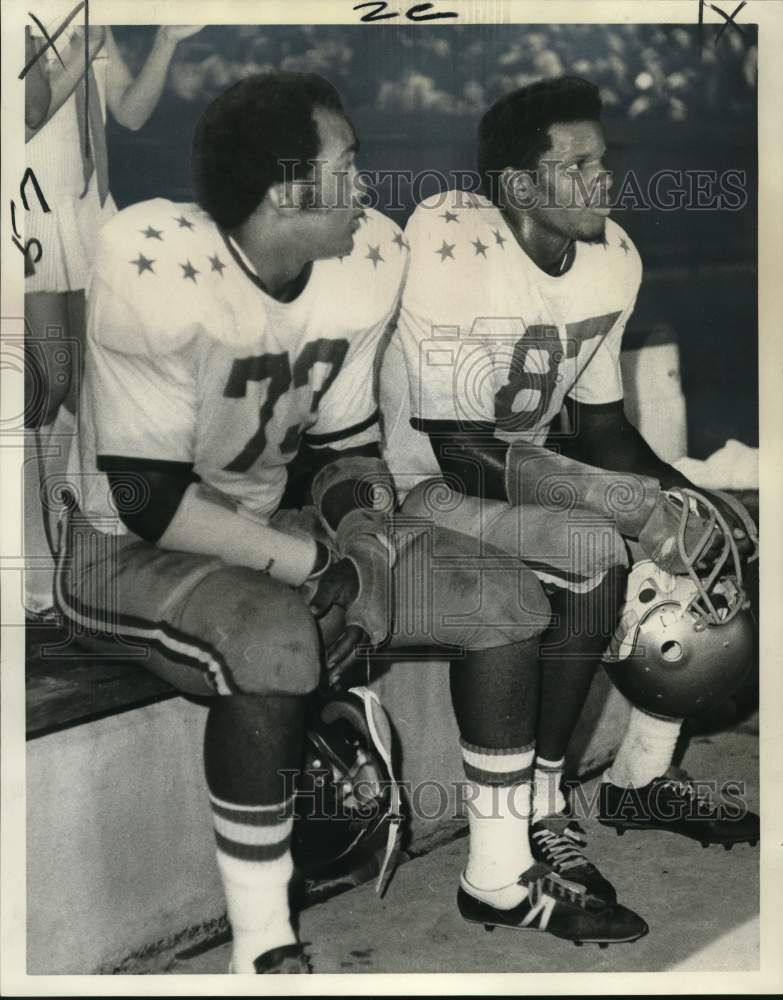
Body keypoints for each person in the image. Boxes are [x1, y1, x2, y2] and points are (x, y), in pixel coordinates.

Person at [57, 72, 648, 975]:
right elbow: (146, 497)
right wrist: (307, 567)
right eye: (348, 165)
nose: (368, 187)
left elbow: (343, 446)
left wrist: (364, 538)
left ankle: (497, 874)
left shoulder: (360, 260)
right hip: (120, 543)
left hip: (271, 518)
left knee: (507, 598)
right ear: (292, 189)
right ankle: (265, 952)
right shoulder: (155, 260)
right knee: (275, 640)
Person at [380, 75, 759, 915]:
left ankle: (639, 781)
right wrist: (622, 505)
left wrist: (693, 503)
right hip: (416, 485)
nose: (603, 180)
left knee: (713, 536)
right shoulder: (454, 239)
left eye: (603, 161)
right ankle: (542, 808)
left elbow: (599, 427)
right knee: (595, 546)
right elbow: (461, 453)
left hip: (509, 470)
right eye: (577, 165)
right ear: (517, 185)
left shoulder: (610, 256)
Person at [23, 20, 202, 617]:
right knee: (43, 387)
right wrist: (88, 44)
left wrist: (166, 41)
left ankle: (75, 543)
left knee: (87, 387)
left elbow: (127, 113)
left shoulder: (83, 16)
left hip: (86, 207)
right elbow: (29, 110)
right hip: (27, 206)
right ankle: (27, 566)